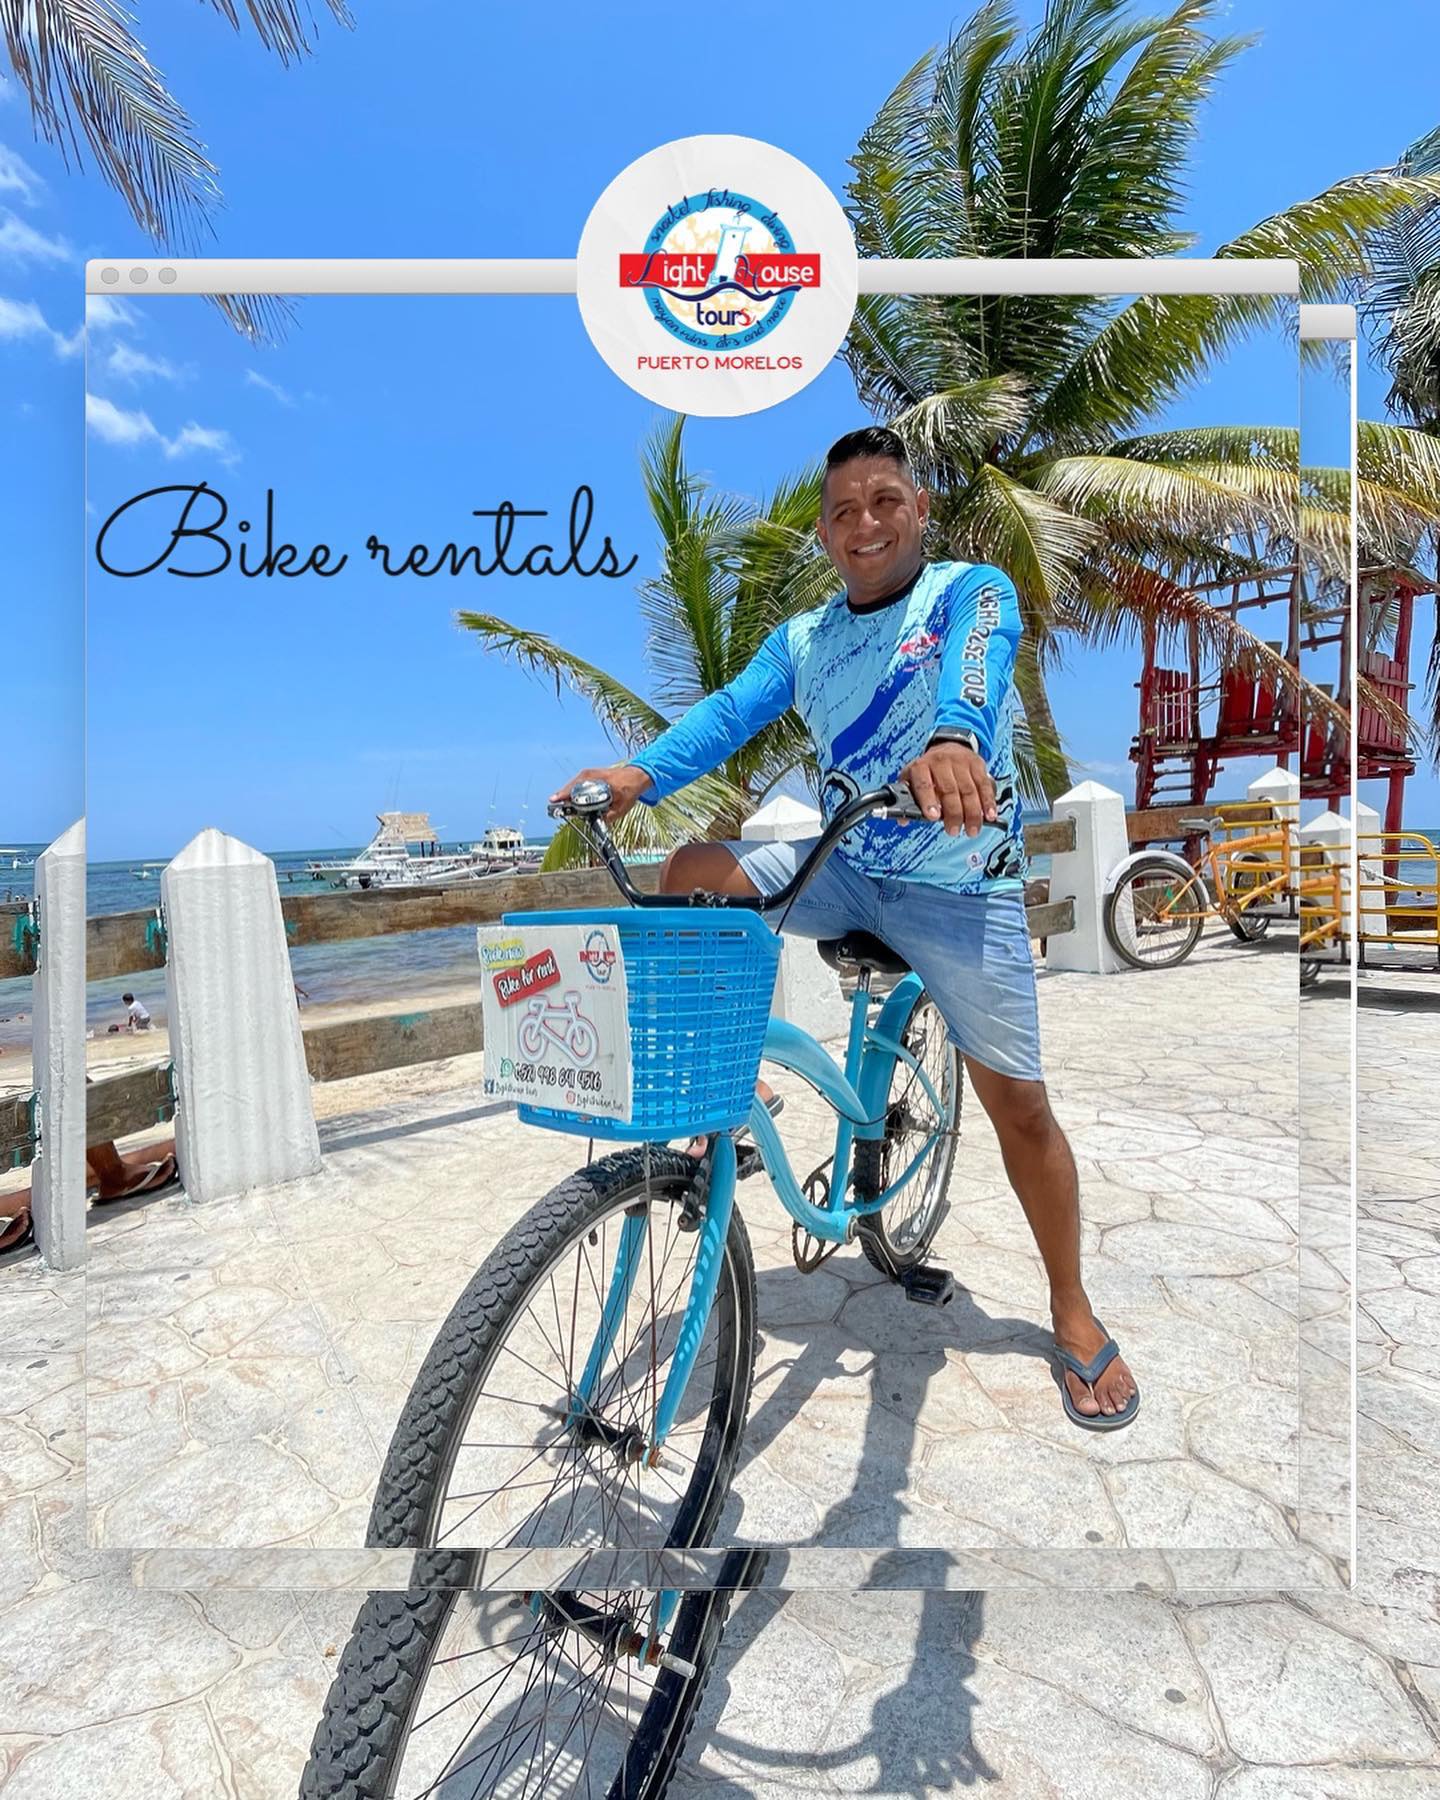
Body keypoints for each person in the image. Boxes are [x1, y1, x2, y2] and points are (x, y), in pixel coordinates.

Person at [552, 426, 1139, 1430]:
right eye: (843, 510)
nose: (864, 523)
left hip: (962, 892)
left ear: (918, 510)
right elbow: (729, 715)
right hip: (847, 864)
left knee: (1022, 1111)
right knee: (690, 872)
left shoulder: (969, 592)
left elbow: (978, 673)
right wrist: (635, 775)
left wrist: (954, 739)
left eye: (885, 501)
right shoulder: (806, 639)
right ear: (823, 532)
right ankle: (728, 1088)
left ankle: (1072, 1307)